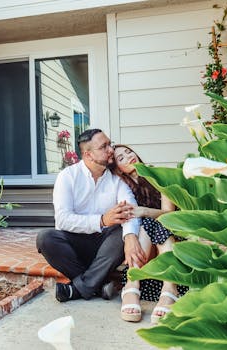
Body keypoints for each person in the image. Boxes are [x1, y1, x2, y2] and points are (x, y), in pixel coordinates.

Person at [36, 129, 146, 305]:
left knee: (121, 232)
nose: (111, 149)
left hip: (107, 247)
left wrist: (132, 237)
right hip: (76, 245)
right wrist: (101, 220)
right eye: (104, 147)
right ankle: (98, 284)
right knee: (45, 238)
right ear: (88, 154)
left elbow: (130, 211)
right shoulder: (68, 176)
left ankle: (78, 288)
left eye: (109, 143)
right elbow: (63, 219)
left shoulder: (116, 179)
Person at [110, 144, 189, 324]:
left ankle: (169, 288)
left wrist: (145, 211)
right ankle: (133, 283)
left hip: (171, 240)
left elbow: (169, 215)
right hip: (146, 260)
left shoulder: (157, 176)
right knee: (144, 224)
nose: (129, 156)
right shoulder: (122, 187)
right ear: (118, 169)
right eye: (121, 158)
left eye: (128, 151)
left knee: (157, 222)